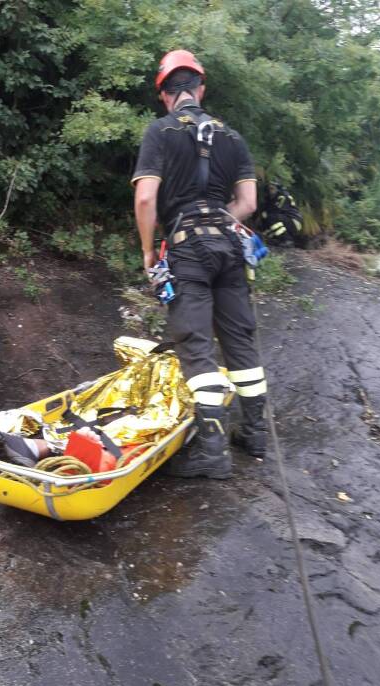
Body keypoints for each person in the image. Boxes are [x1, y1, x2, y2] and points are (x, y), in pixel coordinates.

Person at [131, 49, 268, 479]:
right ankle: (254, 434)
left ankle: (212, 453)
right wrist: (218, 218)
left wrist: (150, 251)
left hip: (186, 248)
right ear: (200, 89)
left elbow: (145, 197)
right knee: (240, 341)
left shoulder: (161, 132)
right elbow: (247, 203)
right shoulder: (233, 138)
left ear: (164, 94)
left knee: (195, 344)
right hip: (228, 246)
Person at [258, 180, 304, 246]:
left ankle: (287, 240)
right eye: (268, 188)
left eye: (272, 188)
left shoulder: (283, 197)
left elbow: (277, 210)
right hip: (287, 220)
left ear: (278, 188)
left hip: (294, 221)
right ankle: (276, 239)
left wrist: (266, 213)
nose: (270, 190)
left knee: (272, 217)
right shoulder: (271, 198)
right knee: (269, 219)